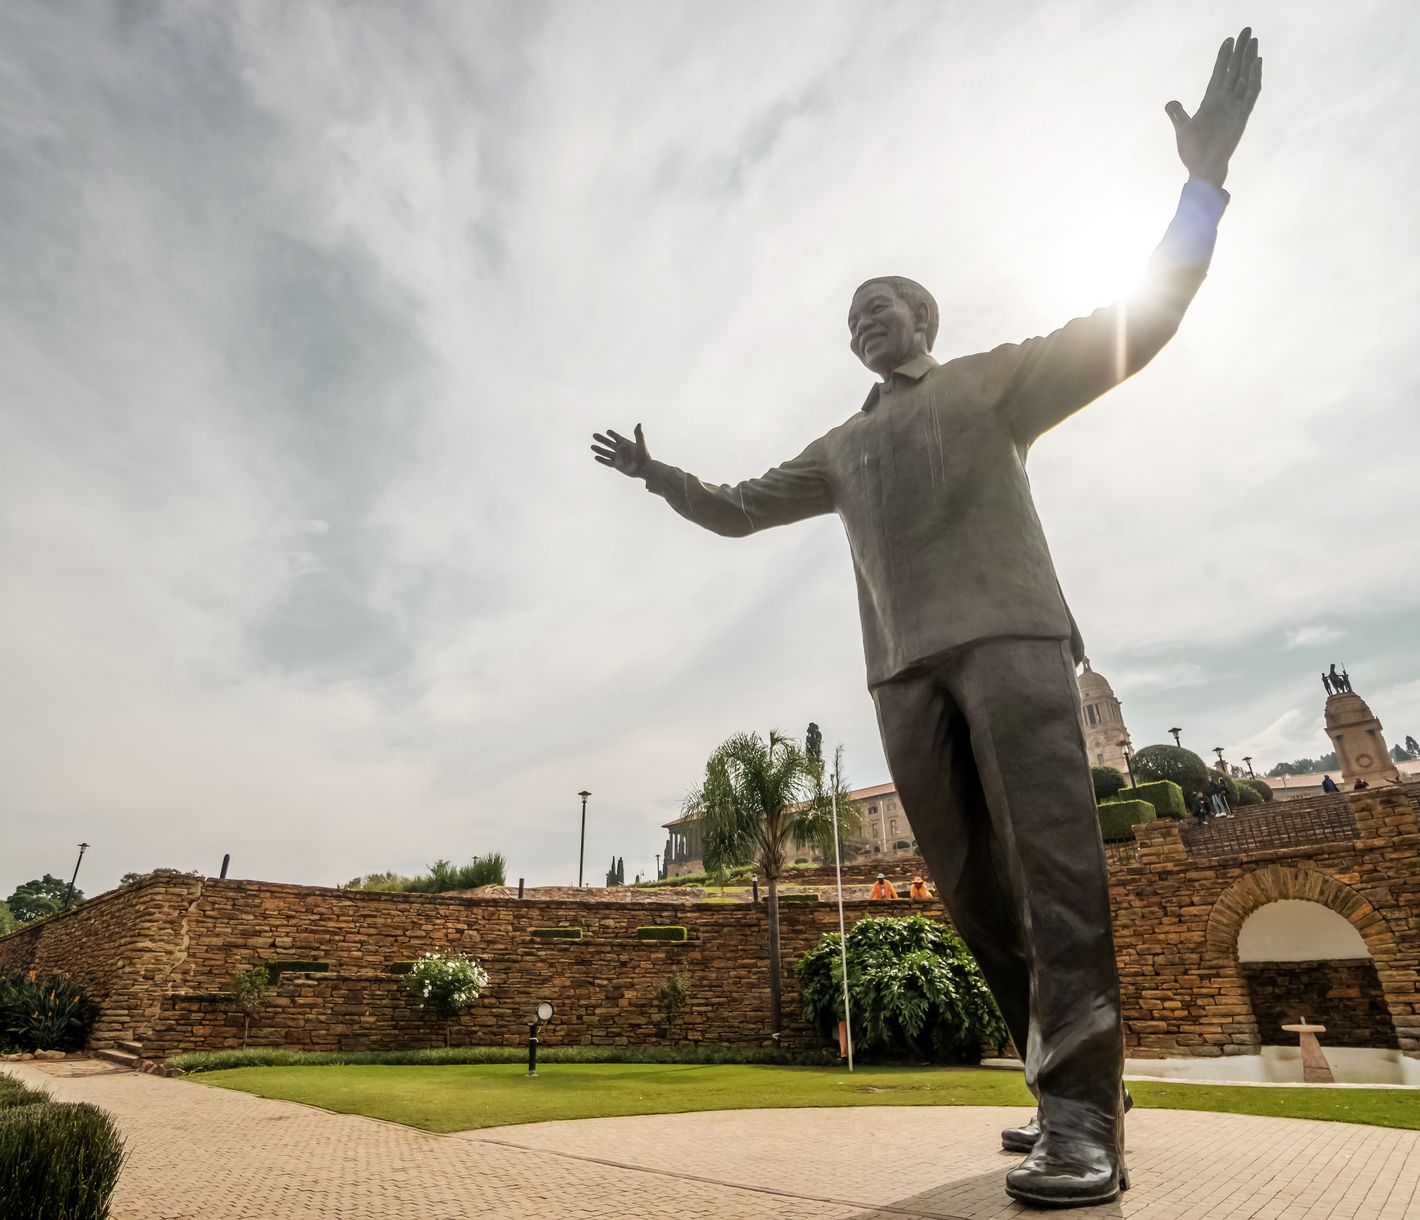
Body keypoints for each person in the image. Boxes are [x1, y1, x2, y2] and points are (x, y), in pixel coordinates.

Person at [591, 28, 1260, 1209]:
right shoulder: (839, 446)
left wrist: (1201, 183)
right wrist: (662, 477)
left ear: (924, 319)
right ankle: (1066, 1083)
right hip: (901, 670)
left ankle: (1080, 1116)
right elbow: (738, 509)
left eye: (882, 305)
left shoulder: (991, 380)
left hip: (1009, 636)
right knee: (971, 893)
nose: (864, 320)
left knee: (1055, 871)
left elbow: (1142, 317)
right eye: (851, 314)